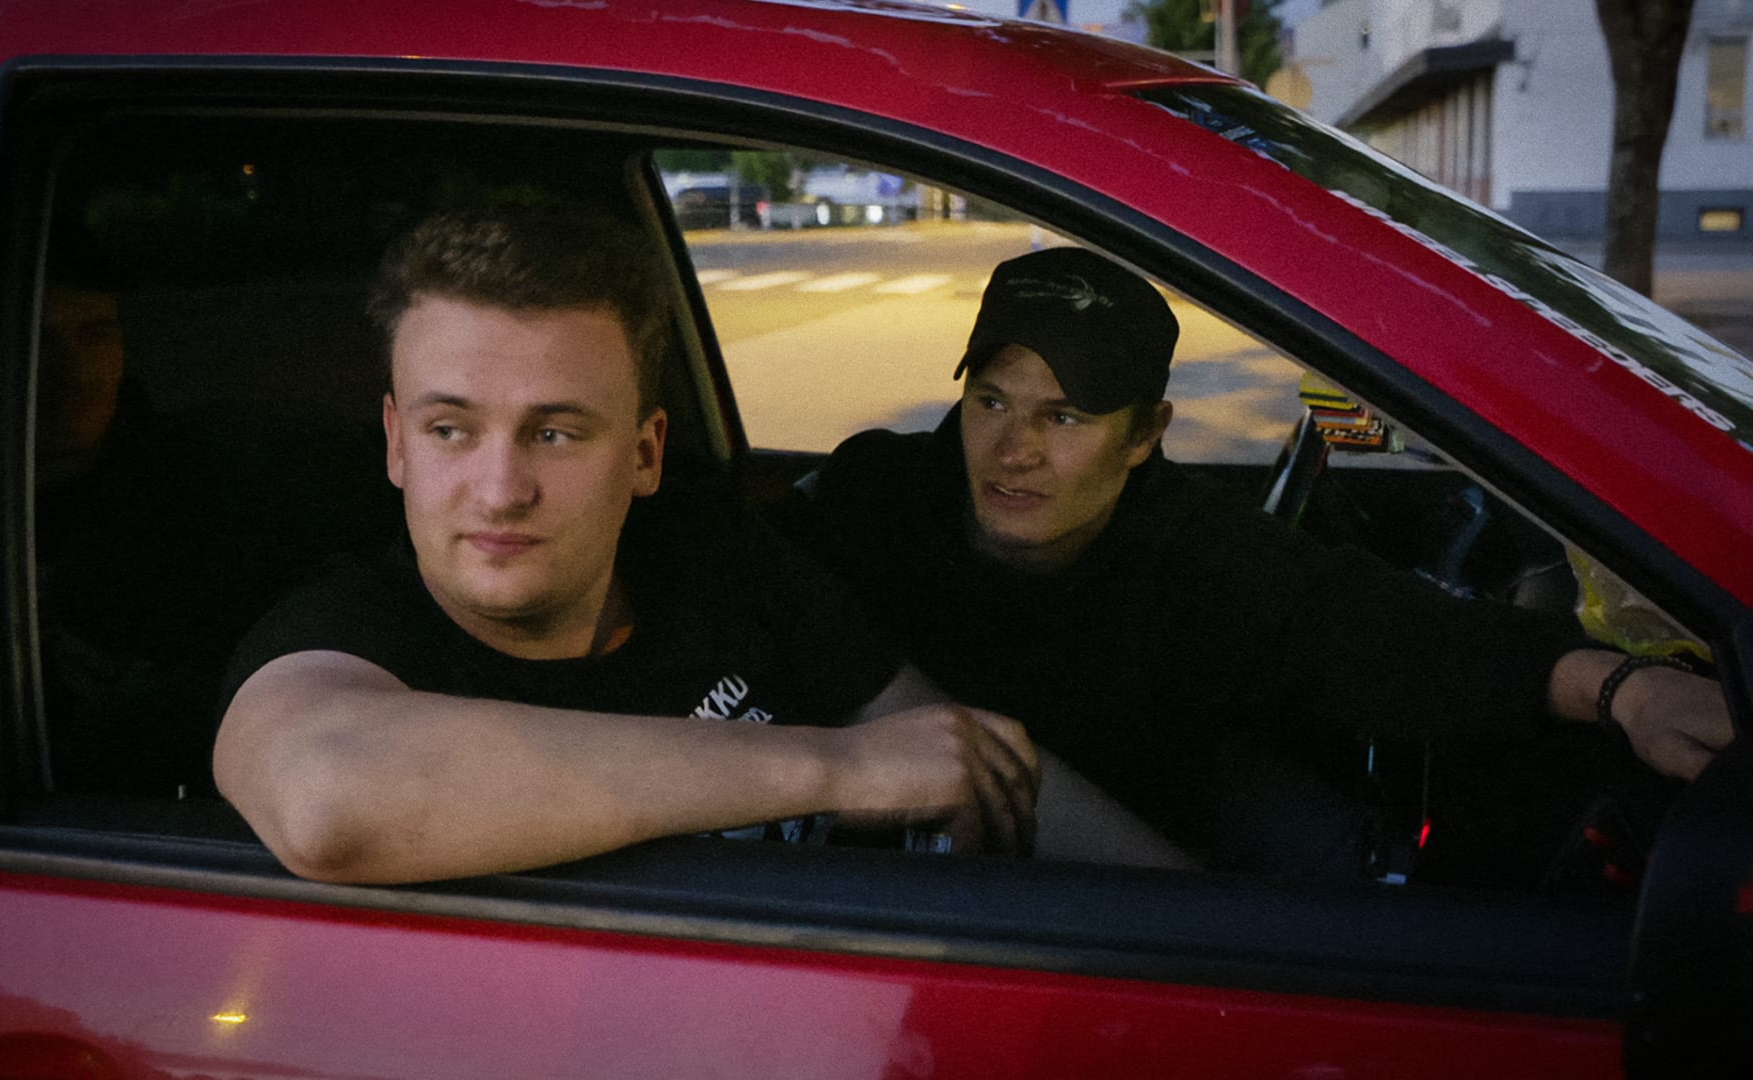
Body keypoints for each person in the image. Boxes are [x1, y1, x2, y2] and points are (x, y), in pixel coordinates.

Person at [213, 207, 1186, 884]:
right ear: (396, 444)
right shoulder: (348, 634)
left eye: (556, 432)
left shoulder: (707, 555)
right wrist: (840, 769)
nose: (501, 488)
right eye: (450, 430)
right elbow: (329, 799)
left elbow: (954, 755)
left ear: (644, 453)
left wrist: (1211, 916)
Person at [789, 246, 1736, 875]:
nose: (1013, 451)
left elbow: (1385, 632)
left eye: (1065, 417)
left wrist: (1625, 691)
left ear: (1144, 436)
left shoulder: (1198, 552)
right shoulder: (878, 494)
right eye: (992, 401)